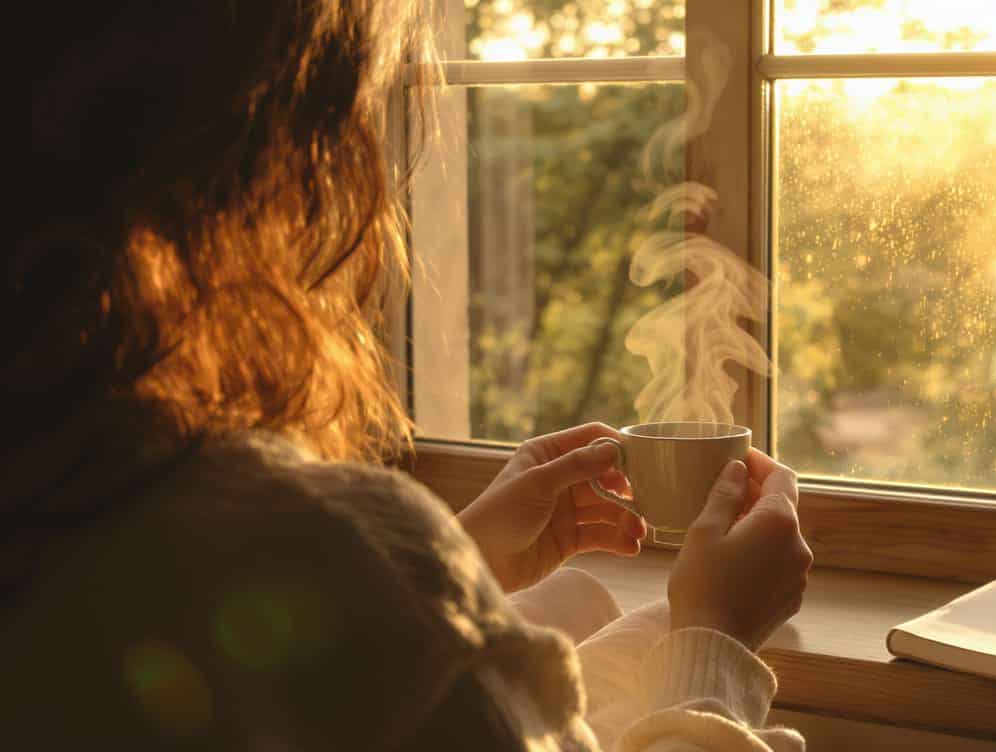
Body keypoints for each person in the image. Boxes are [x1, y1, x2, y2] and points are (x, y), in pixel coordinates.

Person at [11, 1, 813, 749]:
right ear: (276, 157)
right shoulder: (302, 531)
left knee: (581, 602)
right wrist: (715, 644)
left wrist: (463, 561)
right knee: (643, 637)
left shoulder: (67, 477)